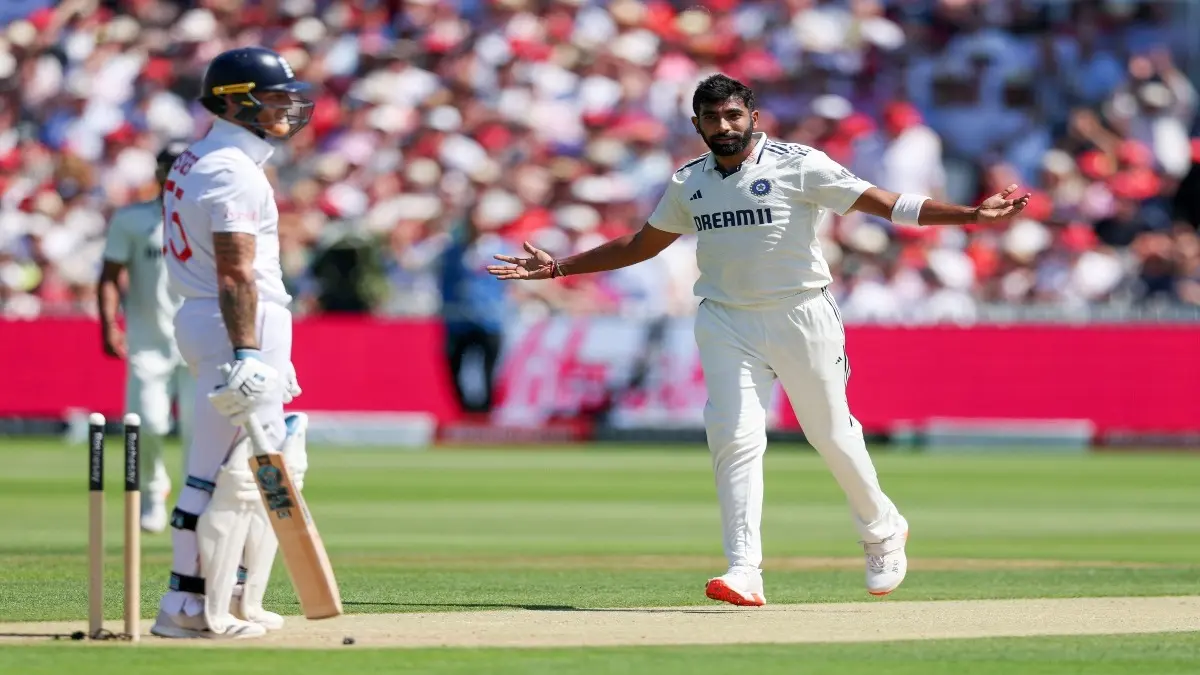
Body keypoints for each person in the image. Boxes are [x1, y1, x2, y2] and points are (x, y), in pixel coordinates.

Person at [487, 74, 1030, 606]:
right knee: (734, 437)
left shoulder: (800, 165)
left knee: (831, 433)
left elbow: (884, 203)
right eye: (711, 118)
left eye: (732, 116)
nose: (723, 126)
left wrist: (970, 216)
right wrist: (560, 267)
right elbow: (642, 244)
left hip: (802, 315)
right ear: (696, 123)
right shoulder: (689, 181)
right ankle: (744, 569)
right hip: (725, 320)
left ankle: (883, 529)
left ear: (753, 117)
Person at [152, 46, 309, 640]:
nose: (287, 109)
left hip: (223, 321)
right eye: (273, 99)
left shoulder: (201, 157)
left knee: (246, 466)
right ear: (235, 101)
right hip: (234, 323)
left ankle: (236, 592)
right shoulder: (228, 168)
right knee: (221, 473)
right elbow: (236, 271)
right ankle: (188, 606)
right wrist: (247, 351)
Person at [98, 142, 194, 534]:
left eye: (180, 166)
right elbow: (108, 275)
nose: (172, 174)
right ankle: (154, 492)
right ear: (157, 172)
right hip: (148, 339)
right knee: (148, 423)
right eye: (166, 167)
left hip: (197, 339)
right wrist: (108, 323)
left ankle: (192, 500)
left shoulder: (207, 218)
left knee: (197, 429)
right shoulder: (132, 220)